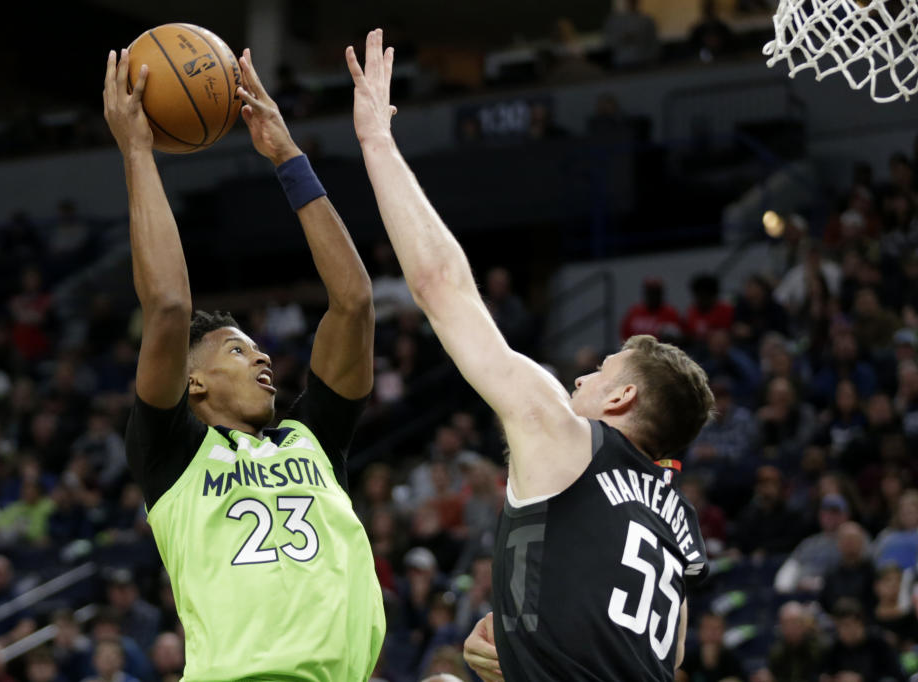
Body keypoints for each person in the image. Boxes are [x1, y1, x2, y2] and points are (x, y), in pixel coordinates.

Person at [348, 29, 713, 682]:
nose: (579, 376)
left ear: (622, 399)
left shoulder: (570, 438)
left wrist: (377, 140)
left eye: (599, 371)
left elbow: (441, 287)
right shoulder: (676, 516)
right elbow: (671, 652)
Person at [102, 45, 383, 680]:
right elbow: (171, 306)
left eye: (259, 349)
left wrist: (288, 157)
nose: (263, 359)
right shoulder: (171, 452)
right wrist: (138, 152)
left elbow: (354, 300)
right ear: (191, 380)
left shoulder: (312, 438)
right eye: (237, 349)